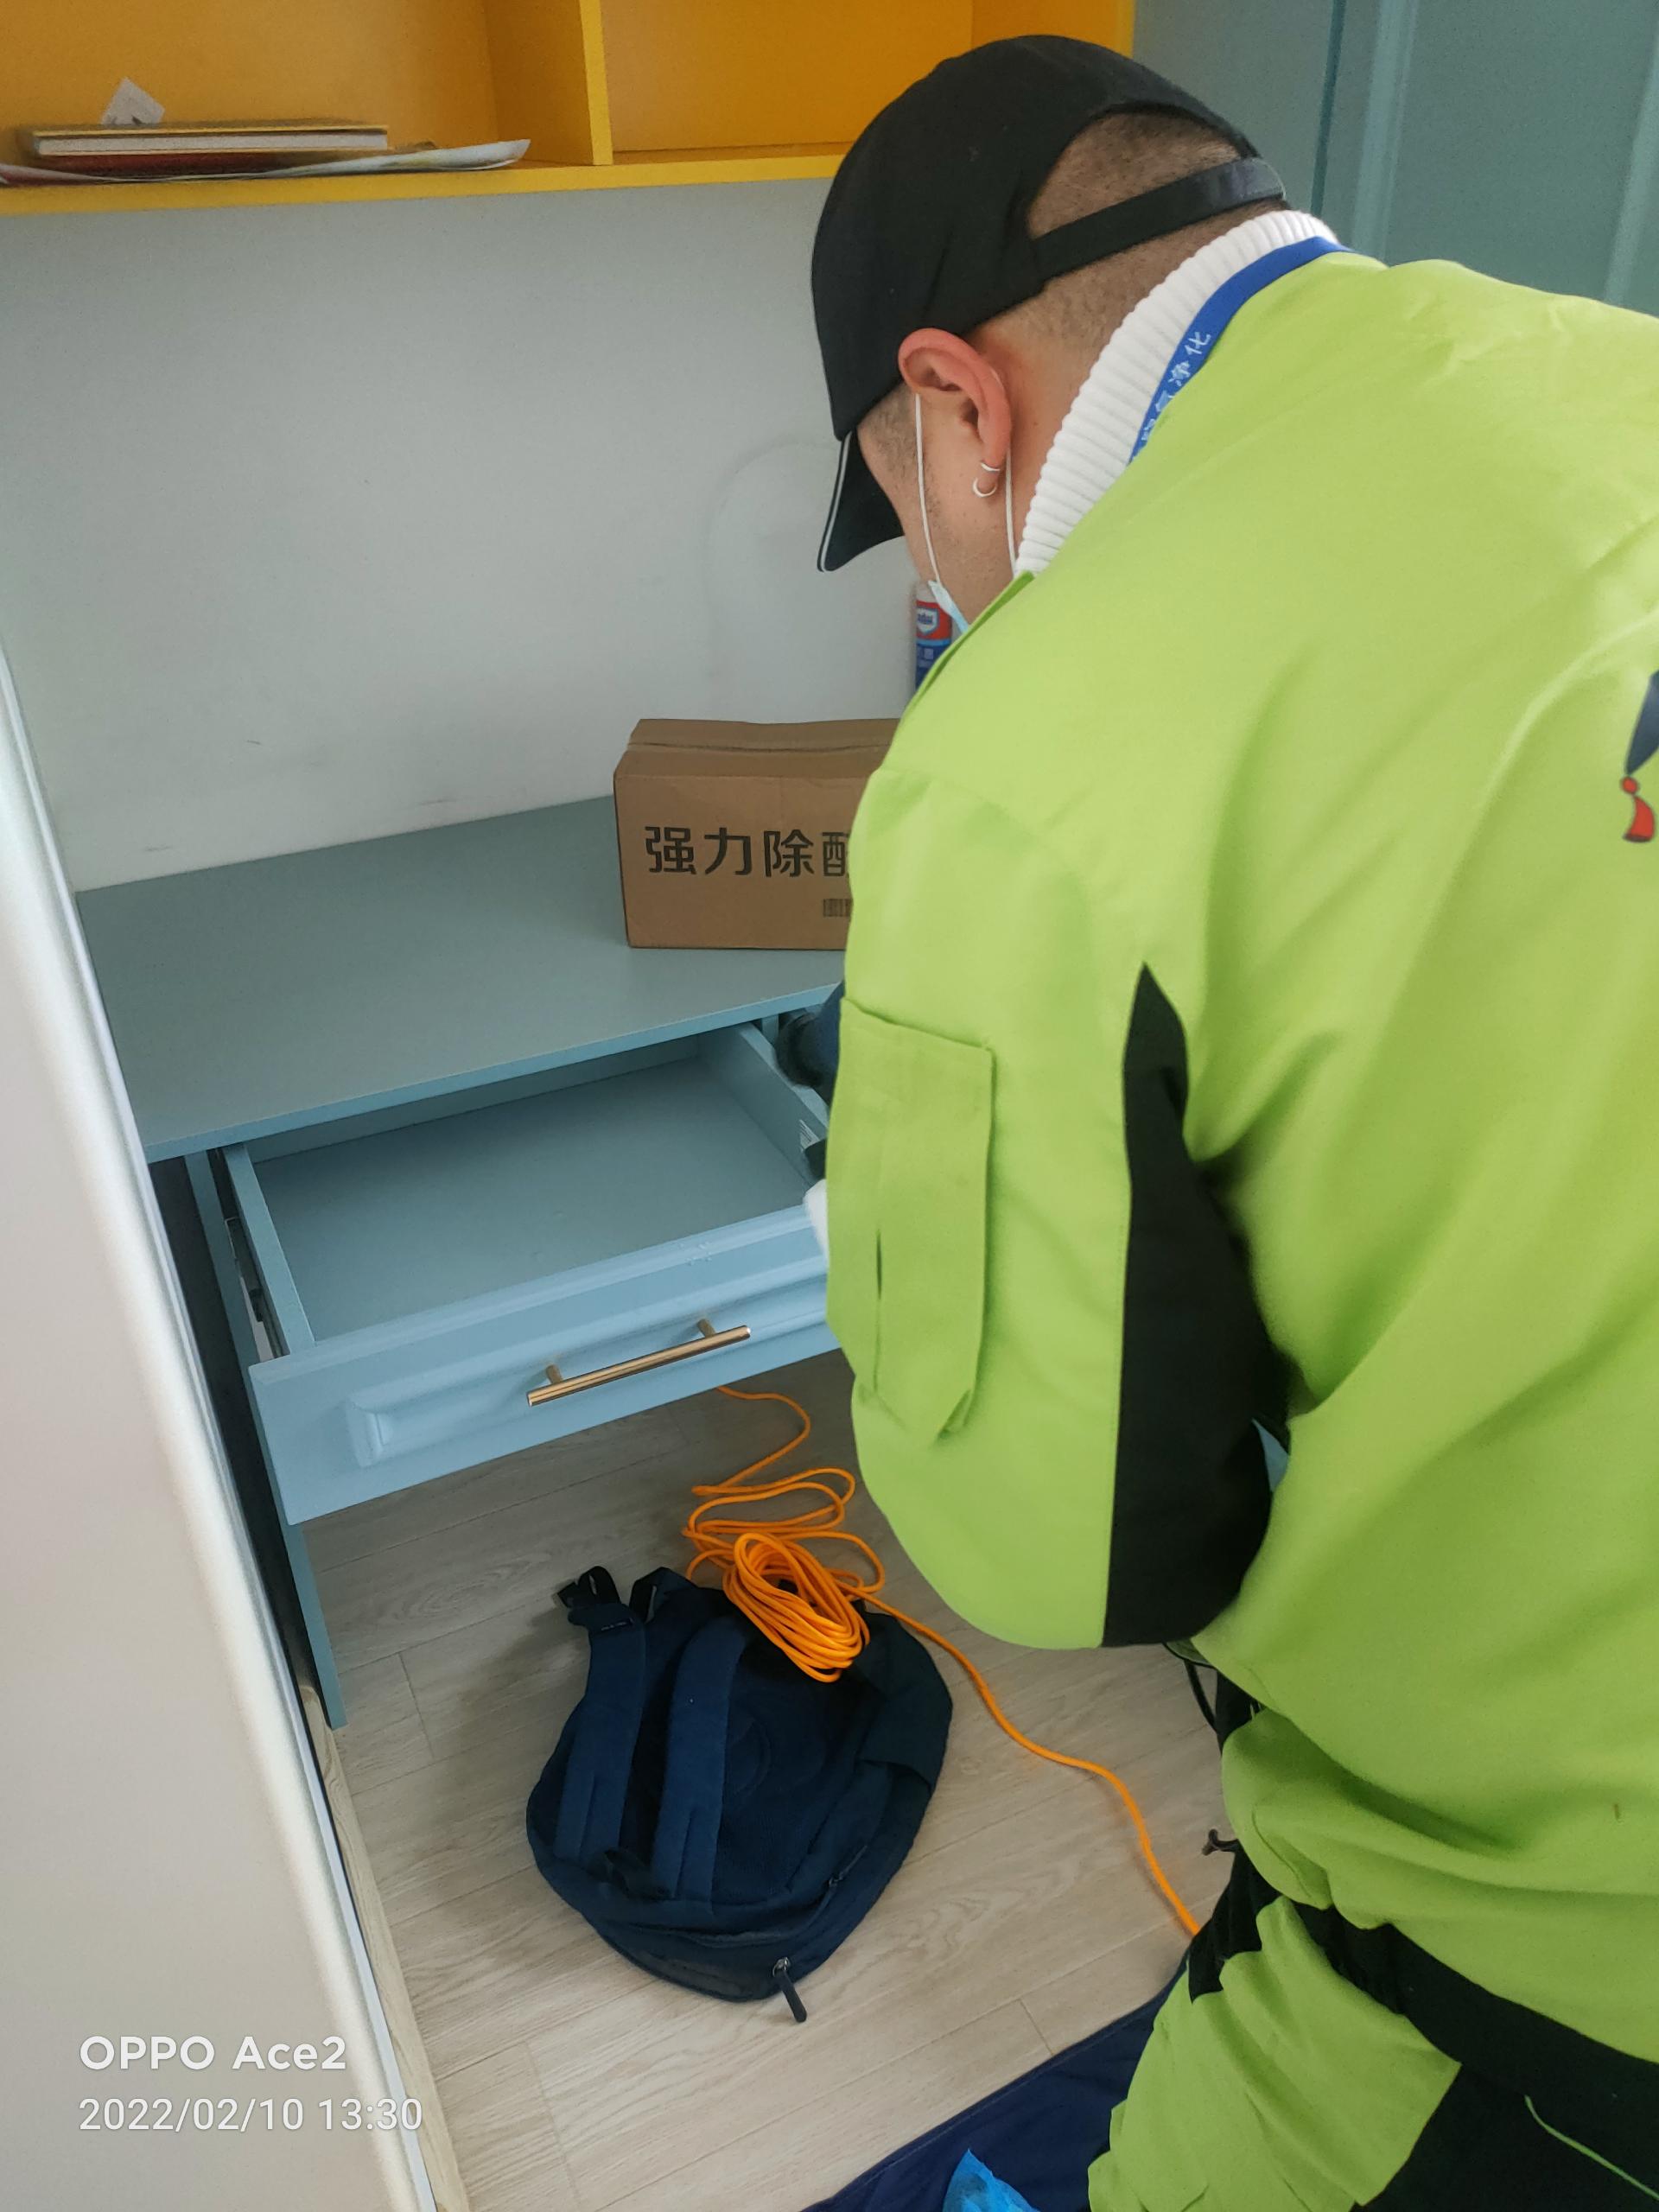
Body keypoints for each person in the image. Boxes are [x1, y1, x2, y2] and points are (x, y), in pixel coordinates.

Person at [808, 35, 1659, 2212]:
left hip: (1564, 1954)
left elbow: (1066, 1552)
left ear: (956, 402)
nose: (939, 574)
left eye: (907, 512)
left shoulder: (1025, 753)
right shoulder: (1613, 368)